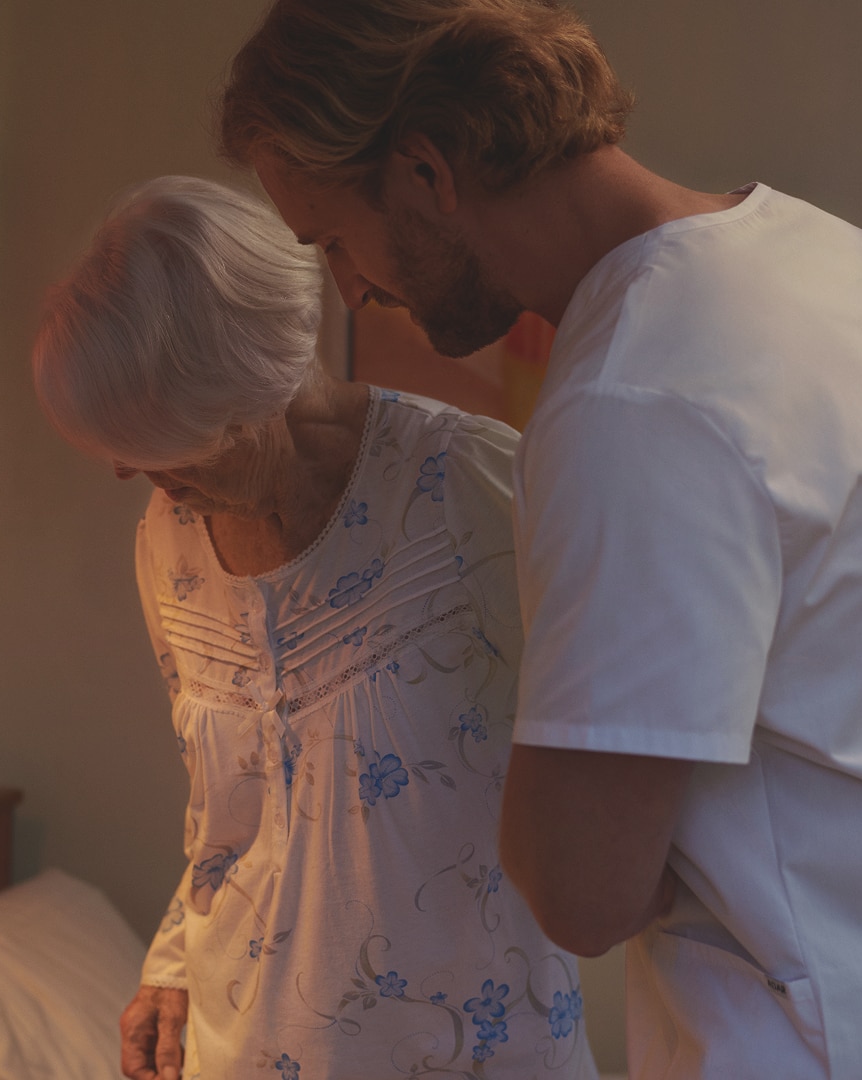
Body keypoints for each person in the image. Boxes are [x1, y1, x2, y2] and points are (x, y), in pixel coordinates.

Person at [217, 2, 862, 1078]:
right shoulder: (819, 256)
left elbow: (582, 892)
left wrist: (551, 828)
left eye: (332, 236)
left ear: (425, 171)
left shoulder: (634, 399)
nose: (351, 285)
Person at [32, 175, 599, 1080]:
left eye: (153, 440)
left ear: (243, 386)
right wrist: (175, 962)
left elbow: (610, 762)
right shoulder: (168, 535)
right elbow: (226, 816)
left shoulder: (470, 489)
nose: (125, 474)